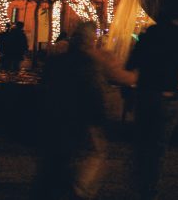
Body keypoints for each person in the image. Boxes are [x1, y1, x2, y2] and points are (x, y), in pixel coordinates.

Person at [33, 21, 136, 199]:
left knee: (57, 155)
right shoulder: (94, 61)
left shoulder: (58, 60)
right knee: (93, 154)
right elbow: (96, 90)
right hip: (84, 118)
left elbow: (45, 86)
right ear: (91, 40)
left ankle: (50, 189)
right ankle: (80, 191)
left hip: (56, 116)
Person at [126, 12, 178, 200]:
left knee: (141, 142)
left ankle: (137, 183)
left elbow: (131, 65)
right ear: (176, 20)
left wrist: (128, 93)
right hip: (166, 96)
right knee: (157, 146)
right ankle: (149, 189)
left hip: (144, 95)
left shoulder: (146, 38)